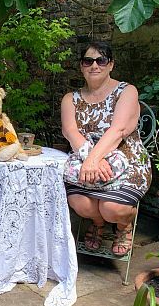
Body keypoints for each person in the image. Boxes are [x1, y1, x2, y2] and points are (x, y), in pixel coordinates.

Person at [61, 41, 151, 256]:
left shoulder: (126, 91)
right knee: (79, 203)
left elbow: (118, 130)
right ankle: (98, 222)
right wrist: (91, 160)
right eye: (88, 61)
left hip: (127, 159)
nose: (95, 66)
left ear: (110, 64)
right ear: (81, 66)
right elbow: (70, 132)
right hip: (86, 160)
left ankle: (122, 226)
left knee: (112, 208)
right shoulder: (70, 99)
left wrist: (93, 160)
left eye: (101, 60)